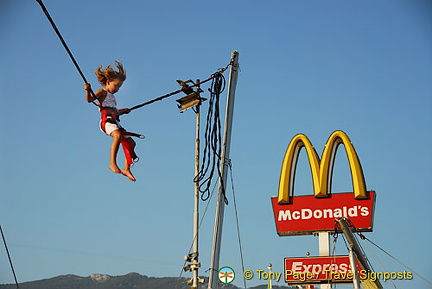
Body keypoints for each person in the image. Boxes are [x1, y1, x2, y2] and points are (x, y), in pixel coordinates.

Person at [84, 60, 138, 182]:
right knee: (117, 136)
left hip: (115, 122)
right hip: (106, 122)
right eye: (116, 85)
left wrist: (123, 111)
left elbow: (114, 111)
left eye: (119, 87)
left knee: (132, 143)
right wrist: (88, 90)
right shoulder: (102, 92)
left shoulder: (112, 98)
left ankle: (126, 168)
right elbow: (90, 100)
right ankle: (112, 163)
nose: (118, 89)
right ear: (108, 82)